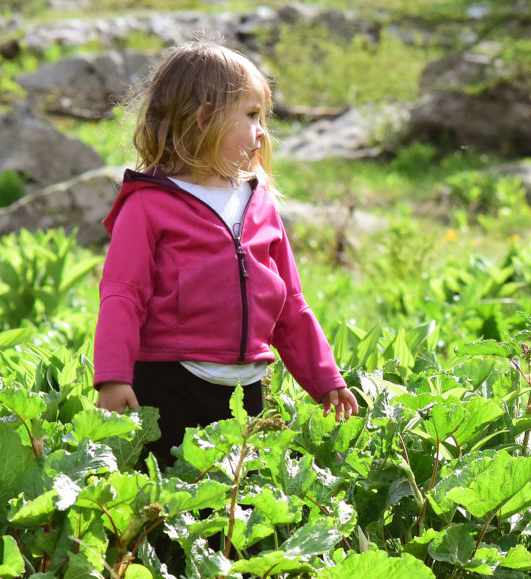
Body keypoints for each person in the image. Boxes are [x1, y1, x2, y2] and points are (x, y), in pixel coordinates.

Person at [93, 39, 358, 466]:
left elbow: (291, 305)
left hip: (246, 389)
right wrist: (113, 378)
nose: (262, 132)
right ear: (204, 118)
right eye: (252, 116)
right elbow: (122, 295)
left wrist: (325, 379)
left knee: (239, 509)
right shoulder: (146, 204)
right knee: (174, 510)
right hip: (167, 384)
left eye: (263, 117)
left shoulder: (260, 202)